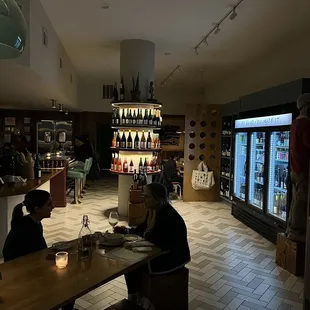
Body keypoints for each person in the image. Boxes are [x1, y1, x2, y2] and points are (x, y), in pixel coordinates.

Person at [3, 190, 75, 310]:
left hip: (28, 269)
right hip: (21, 275)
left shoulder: (33, 223)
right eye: (49, 204)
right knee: (67, 283)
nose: (53, 206)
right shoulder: (27, 229)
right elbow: (35, 258)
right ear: (37, 209)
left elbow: (41, 252)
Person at [119, 183, 191, 304]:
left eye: (146, 196)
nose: (143, 199)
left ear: (157, 200)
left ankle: (136, 299)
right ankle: (135, 297)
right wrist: (127, 231)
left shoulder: (167, 215)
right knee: (130, 261)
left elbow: (156, 239)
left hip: (172, 258)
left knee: (131, 263)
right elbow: (143, 229)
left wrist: (138, 239)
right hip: (162, 251)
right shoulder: (154, 210)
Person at [286, 93, 310, 242]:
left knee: (296, 200)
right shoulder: (305, 124)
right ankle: (296, 232)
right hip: (302, 169)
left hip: (294, 169)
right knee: (301, 202)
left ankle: (290, 228)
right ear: (307, 106)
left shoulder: (295, 123)